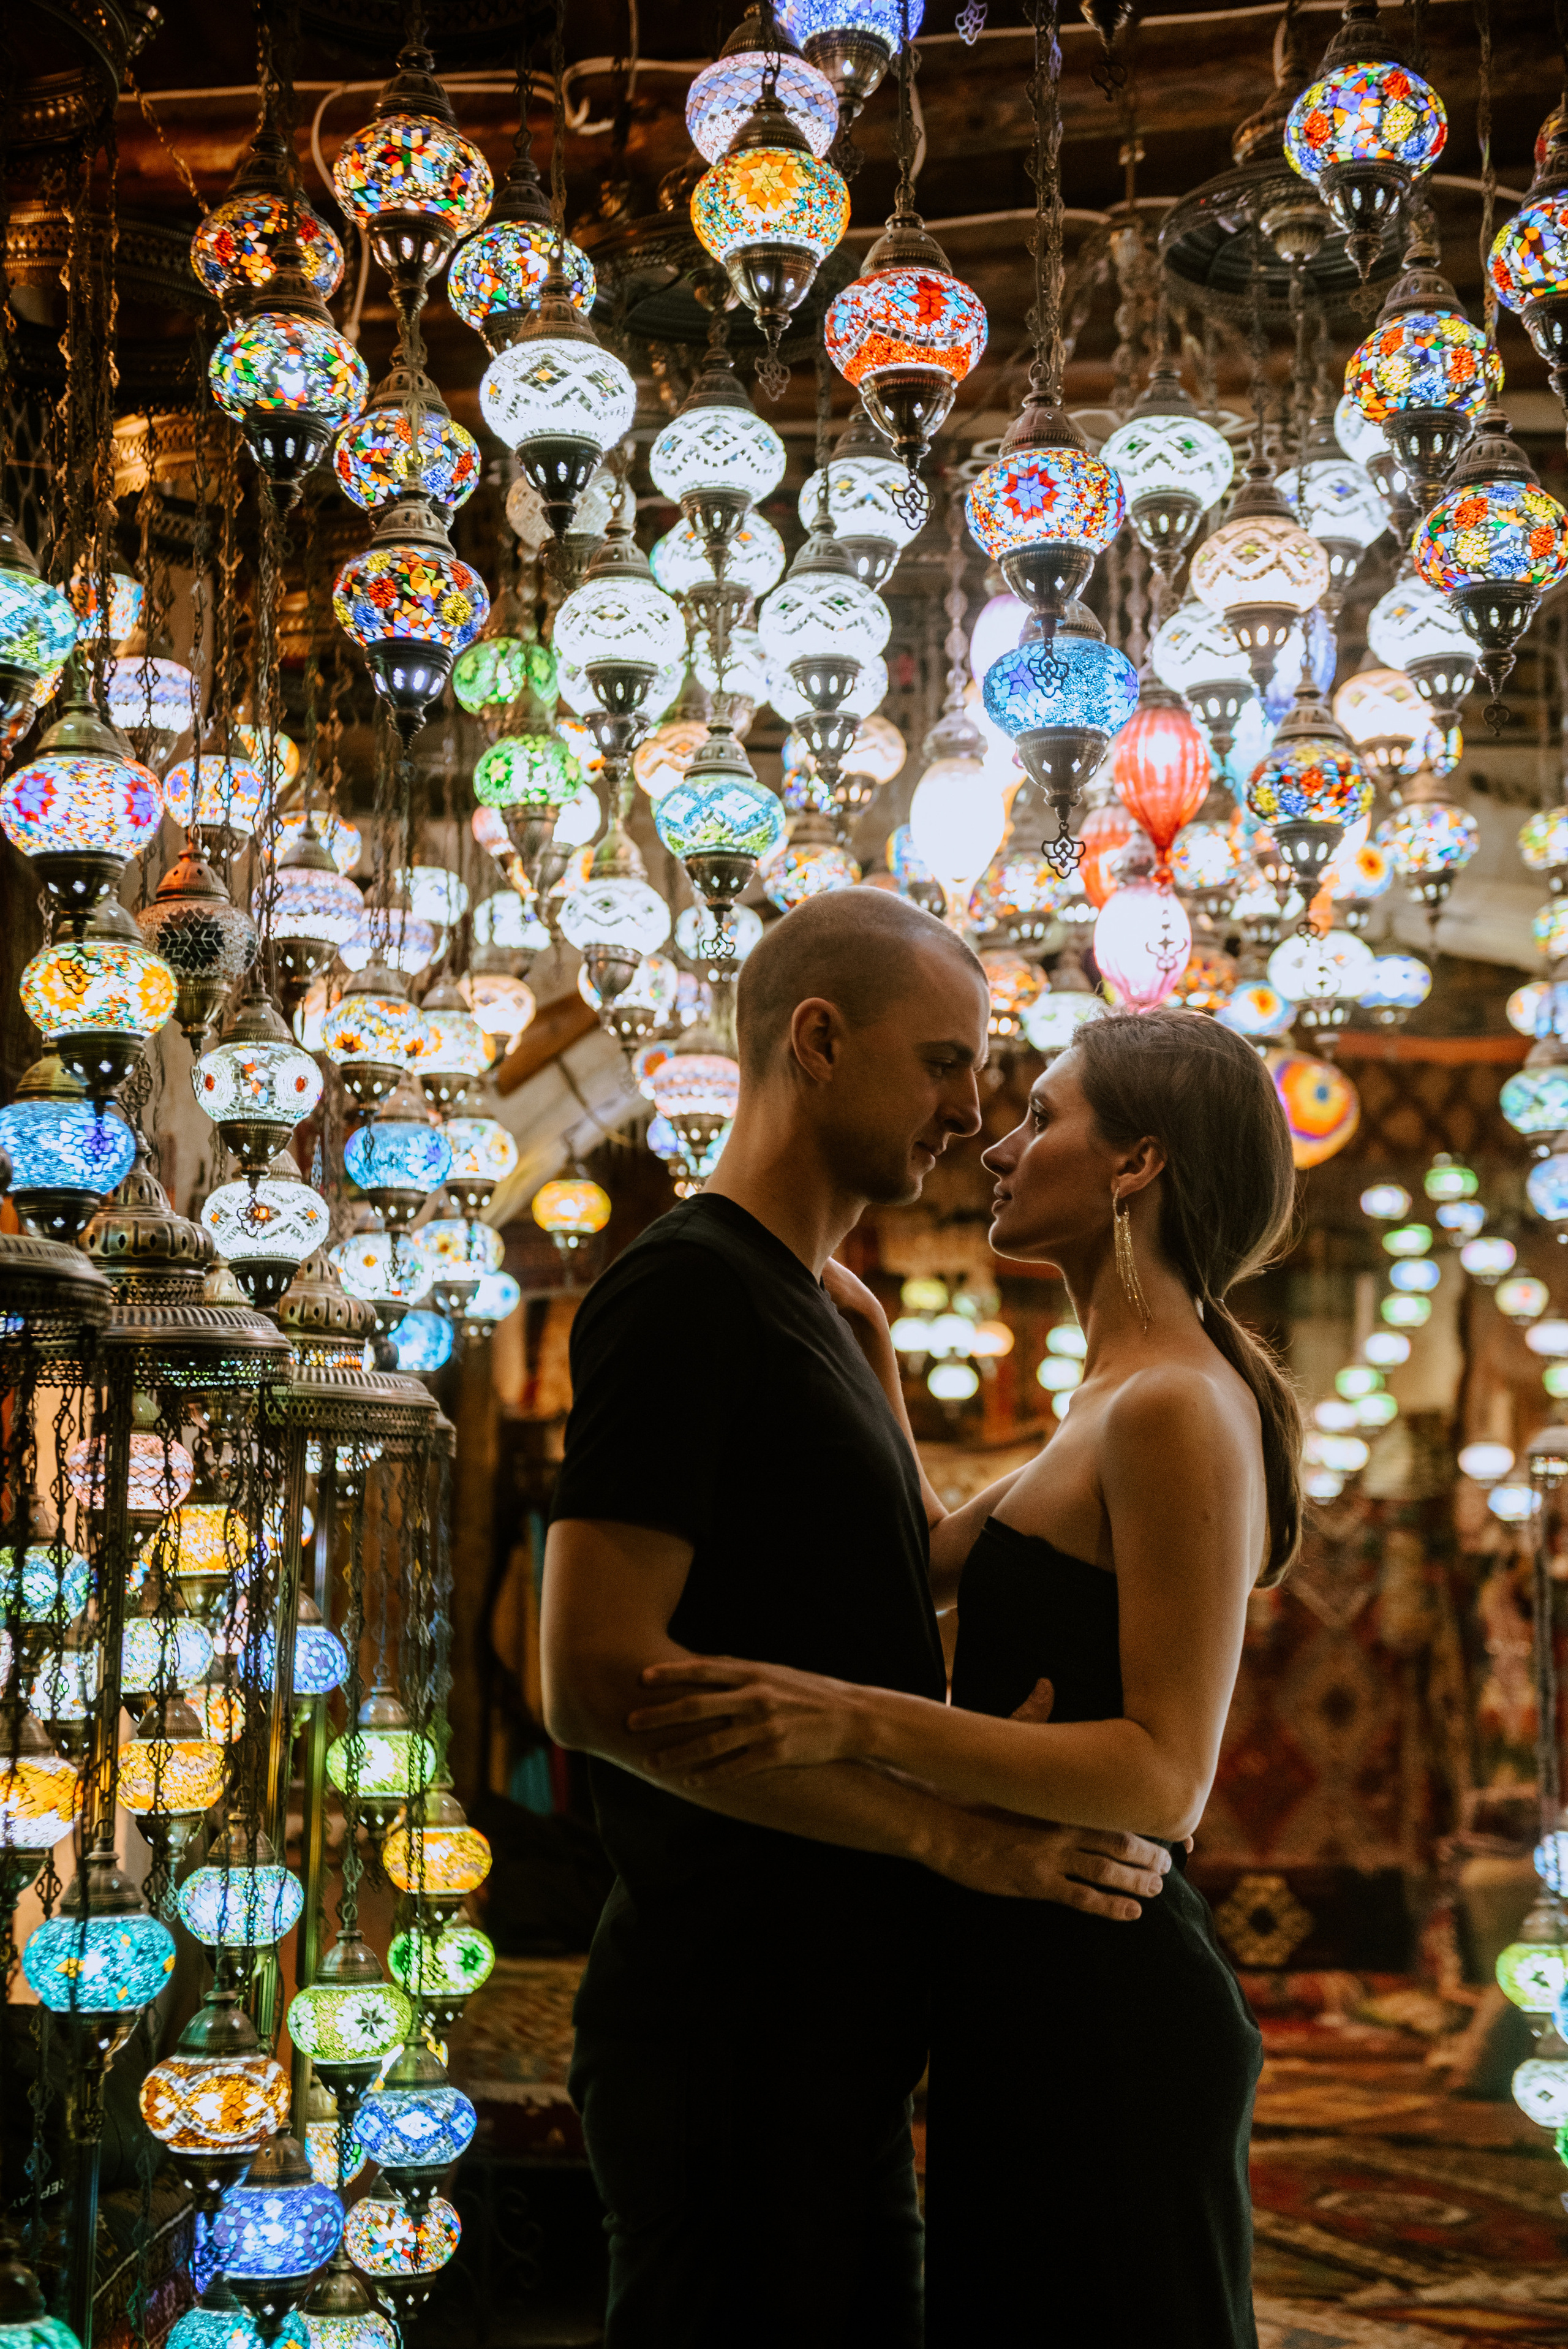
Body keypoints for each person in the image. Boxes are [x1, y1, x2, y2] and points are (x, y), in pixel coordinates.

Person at [541, 890, 1172, 2349]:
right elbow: (588, 1680)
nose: (975, 1108)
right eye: (946, 1062)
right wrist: (949, 1829)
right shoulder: (685, 1292)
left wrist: (1128, 1433)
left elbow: (883, 1583)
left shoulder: (822, 1312)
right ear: (815, 1042)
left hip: (832, 2021)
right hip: (727, 2023)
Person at [628, 1007, 1300, 2348]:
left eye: (1040, 1117)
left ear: (1134, 1165)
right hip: (1024, 1987)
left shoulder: (1173, 1403)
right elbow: (913, 1567)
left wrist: (847, 1721)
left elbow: (1161, 1778)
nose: (996, 1146)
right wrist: (860, 1352)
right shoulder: (1109, 1395)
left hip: (1106, 2008)